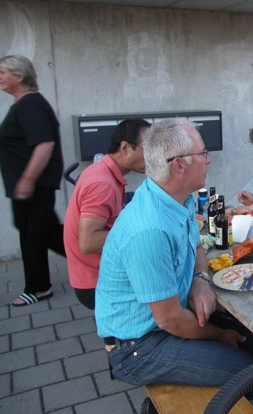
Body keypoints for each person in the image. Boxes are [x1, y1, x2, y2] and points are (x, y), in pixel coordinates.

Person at [95, 118, 253, 388]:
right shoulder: (149, 230)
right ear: (179, 165)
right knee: (250, 376)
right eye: (203, 153)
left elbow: (196, 244)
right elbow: (170, 319)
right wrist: (220, 335)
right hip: (138, 345)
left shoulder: (176, 196)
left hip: (166, 320)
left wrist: (200, 279)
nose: (208, 160)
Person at [0, 55, 66, 307]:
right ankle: (97, 259)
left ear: (19, 76)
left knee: (34, 235)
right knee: (44, 232)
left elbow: (44, 143)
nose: (0, 77)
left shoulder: (31, 105)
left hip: (35, 185)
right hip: (27, 186)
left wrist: (27, 180)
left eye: (3, 72)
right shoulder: (23, 105)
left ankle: (38, 288)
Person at [64, 119, 150, 310]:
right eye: (148, 149)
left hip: (95, 274)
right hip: (96, 282)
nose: (152, 157)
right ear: (125, 147)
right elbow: (88, 242)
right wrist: (141, 233)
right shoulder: (102, 183)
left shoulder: (100, 170)